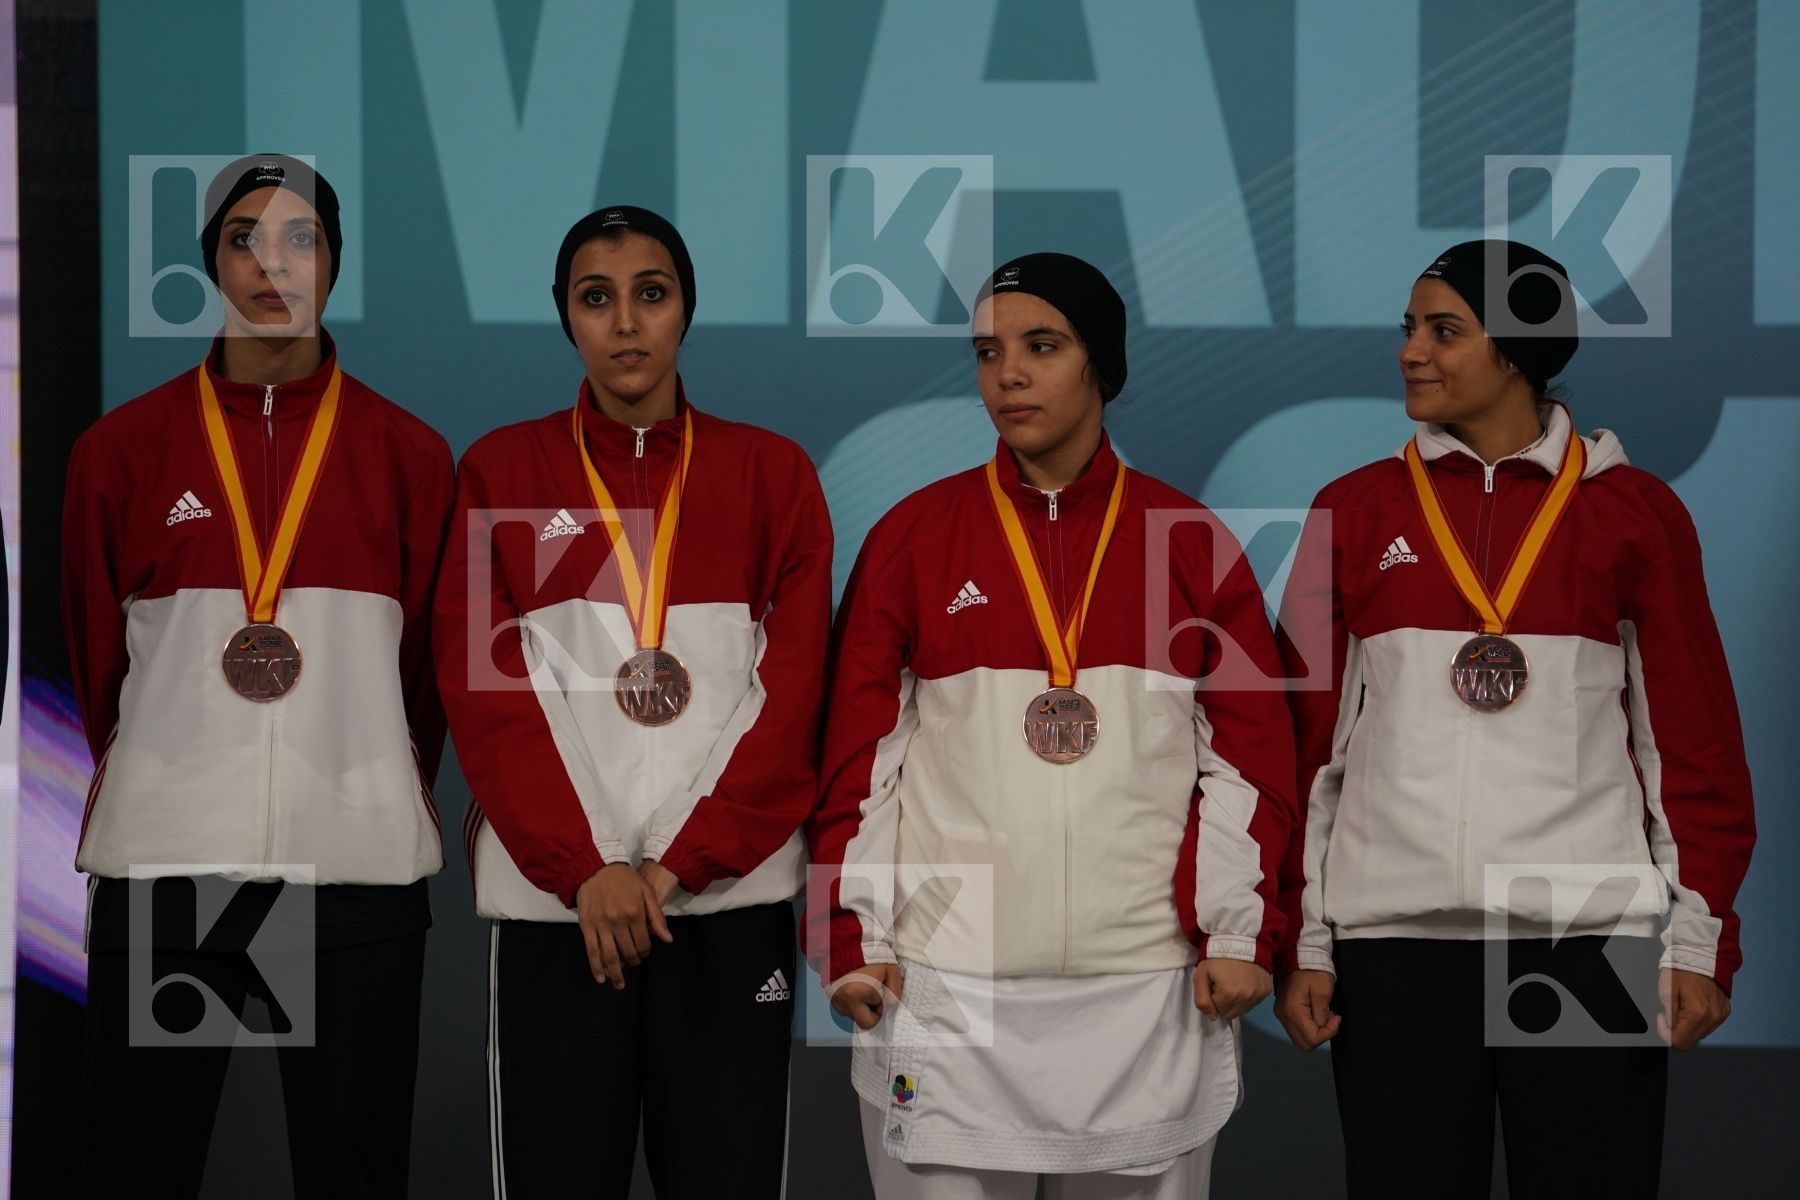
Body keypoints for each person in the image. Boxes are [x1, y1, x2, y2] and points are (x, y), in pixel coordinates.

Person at [1272, 240, 1757, 1198]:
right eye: (1409, 328)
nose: (1412, 350)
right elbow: (1305, 752)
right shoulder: (1354, 510)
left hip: (1587, 935)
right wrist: (1306, 940)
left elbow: (1690, 748)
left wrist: (1700, 944)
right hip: (1395, 941)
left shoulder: (1635, 514)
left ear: (1517, 352)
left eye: (1444, 330)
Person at [808, 252, 1294, 1198]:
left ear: (1100, 364)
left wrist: (1238, 932)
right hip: (948, 984)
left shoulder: (1188, 543)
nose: (1009, 376)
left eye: (1042, 346)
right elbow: (859, 768)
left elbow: (1248, 764)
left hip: (1145, 988)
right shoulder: (914, 538)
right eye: (989, 352)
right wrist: (855, 937)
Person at [63, 154, 454, 1197]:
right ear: (211, 263)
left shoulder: (410, 456)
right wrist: (172, 777)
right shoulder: (121, 452)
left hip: (354, 877)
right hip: (174, 873)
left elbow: (422, 685)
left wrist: (363, 784)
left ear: (335, 262)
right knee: (141, 1173)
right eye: (244, 238)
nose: (271, 263)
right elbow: (98, 665)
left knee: (352, 1177)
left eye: (300, 238)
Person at [433, 205, 832, 1196]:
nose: (625, 322)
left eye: (650, 294)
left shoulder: (770, 473)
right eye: (596, 298)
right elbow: (487, 697)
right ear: (565, 316)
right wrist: (587, 870)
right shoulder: (503, 471)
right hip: (560, 912)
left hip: (726, 903)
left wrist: (677, 864)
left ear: (685, 309)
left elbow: (793, 700)